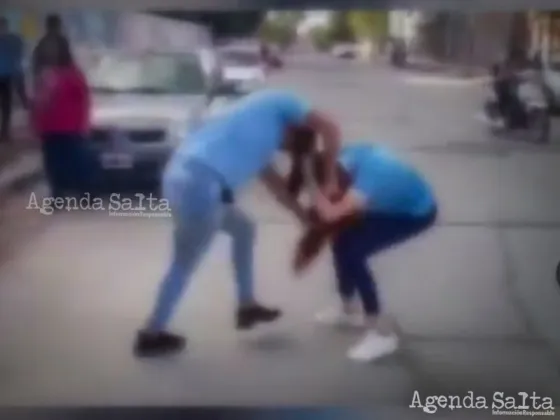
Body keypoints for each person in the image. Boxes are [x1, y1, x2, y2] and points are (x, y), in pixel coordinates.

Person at [134, 89, 342, 358]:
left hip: (183, 177)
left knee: (244, 229)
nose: (284, 150)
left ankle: (247, 305)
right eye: (288, 146)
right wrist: (330, 179)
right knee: (184, 263)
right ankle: (151, 334)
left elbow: (279, 190)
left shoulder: (256, 126)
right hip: (201, 185)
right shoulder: (280, 102)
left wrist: (304, 219)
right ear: (294, 127)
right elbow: (330, 127)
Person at [290, 143, 437, 362]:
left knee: (354, 254)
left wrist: (315, 190)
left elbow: (329, 215)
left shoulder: (365, 187)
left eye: (329, 191)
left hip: (414, 214)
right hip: (386, 204)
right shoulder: (344, 158)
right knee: (341, 242)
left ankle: (380, 335)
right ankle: (347, 308)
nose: (328, 194)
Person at [31, 38, 94, 199]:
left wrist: (84, 124)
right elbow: (37, 102)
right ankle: (58, 194)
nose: (52, 53)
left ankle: (85, 193)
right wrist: (35, 124)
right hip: (49, 128)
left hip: (71, 128)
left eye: (55, 49)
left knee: (77, 163)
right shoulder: (44, 74)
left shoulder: (73, 74)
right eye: (49, 50)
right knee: (53, 165)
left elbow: (84, 100)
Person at [0, 16, 26, 142]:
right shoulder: (14, 40)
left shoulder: (13, 40)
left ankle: (5, 131)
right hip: (8, 75)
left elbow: (19, 54)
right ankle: (5, 132)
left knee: (6, 105)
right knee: (6, 105)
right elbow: (20, 53)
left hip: (8, 76)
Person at [31, 14, 71, 89]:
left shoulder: (42, 42)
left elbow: (36, 63)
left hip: (46, 78)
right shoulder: (62, 41)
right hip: (60, 77)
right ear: (58, 26)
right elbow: (68, 61)